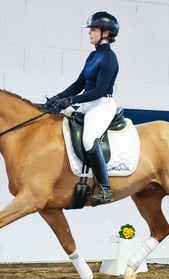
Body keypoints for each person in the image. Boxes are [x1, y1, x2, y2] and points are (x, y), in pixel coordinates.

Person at [46, 11, 120, 206]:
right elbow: (79, 84)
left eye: (93, 30)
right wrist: (57, 98)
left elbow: (99, 90)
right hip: (88, 103)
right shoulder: (93, 56)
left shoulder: (110, 59)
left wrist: (71, 100)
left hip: (102, 104)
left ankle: (104, 188)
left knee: (88, 139)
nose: (89, 33)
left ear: (106, 33)